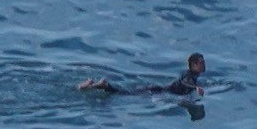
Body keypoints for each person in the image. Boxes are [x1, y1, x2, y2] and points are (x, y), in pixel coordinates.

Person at [78, 53, 207, 96]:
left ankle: (94, 86)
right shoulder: (189, 75)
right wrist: (194, 88)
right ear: (193, 65)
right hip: (157, 91)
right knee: (126, 95)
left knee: (126, 93)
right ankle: (104, 86)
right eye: (201, 63)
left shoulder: (191, 75)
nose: (204, 64)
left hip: (158, 90)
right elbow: (184, 82)